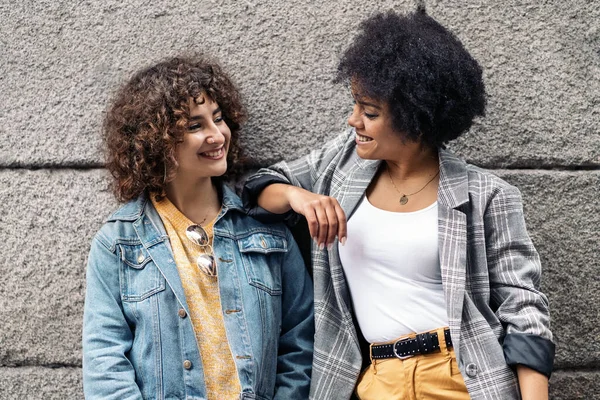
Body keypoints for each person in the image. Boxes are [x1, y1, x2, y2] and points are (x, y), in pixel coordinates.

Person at [243, 9, 554, 400]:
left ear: (416, 119)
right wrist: (297, 197)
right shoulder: (341, 164)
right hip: (375, 381)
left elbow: (523, 309)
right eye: (355, 104)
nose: (353, 120)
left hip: (465, 378)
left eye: (369, 112)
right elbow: (257, 188)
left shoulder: (487, 195)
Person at [82, 55, 314, 400]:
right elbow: (105, 364)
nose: (217, 135)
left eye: (218, 119)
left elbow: (300, 340)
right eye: (195, 126)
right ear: (156, 141)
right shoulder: (119, 242)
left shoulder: (266, 231)